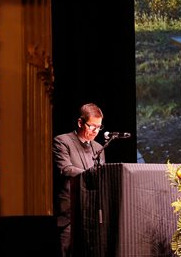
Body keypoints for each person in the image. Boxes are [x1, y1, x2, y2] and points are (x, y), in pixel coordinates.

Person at [53, 103, 106, 257]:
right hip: (70, 214)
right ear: (80, 122)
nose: (96, 131)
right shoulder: (62, 141)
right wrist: (91, 173)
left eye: (99, 127)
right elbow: (65, 168)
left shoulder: (98, 148)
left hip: (92, 215)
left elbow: (100, 178)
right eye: (92, 126)